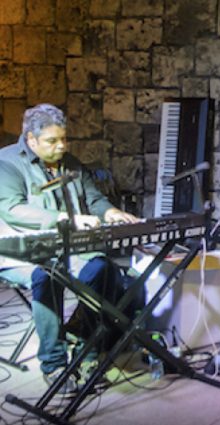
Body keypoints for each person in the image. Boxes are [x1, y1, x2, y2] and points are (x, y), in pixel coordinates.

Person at [0, 104, 140, 394]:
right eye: (52, 141)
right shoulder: (6, 163)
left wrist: (111, 212)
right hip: (19, 252)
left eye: (64, 139)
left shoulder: (71, 163)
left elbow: (93, 199)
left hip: (69, 248)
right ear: (31, 139)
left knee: (102, 269)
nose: (61, 146)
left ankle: (87, 350)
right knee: (47, 275)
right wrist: (66, 219)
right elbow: (12, 209)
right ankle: (54, 364)